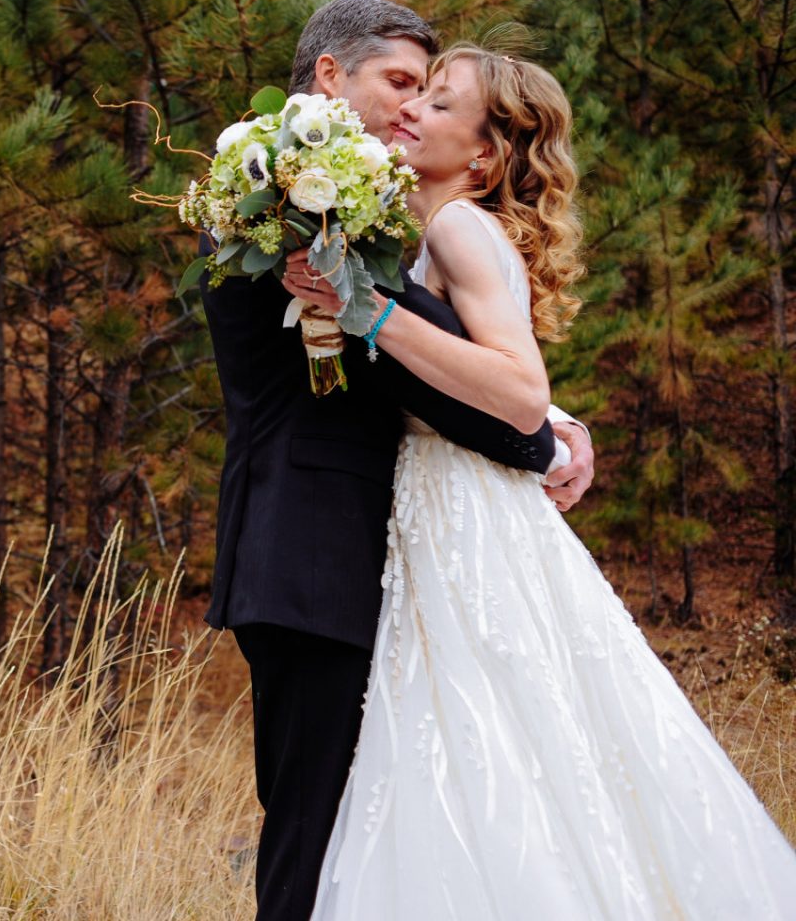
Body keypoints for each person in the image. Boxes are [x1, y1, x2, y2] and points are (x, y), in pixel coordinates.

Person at [279, 45, 796, 918]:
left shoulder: (457, 226)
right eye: (418, 95)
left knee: (482, 731)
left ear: (483, 154)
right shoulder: (438, 225)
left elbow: (521, 394)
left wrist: (365, 311)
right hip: (444, 505)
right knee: (498, 739)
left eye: (440, 105)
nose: (414, 112)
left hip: (464, 514)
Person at [198, 0, 596, 921]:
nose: (411, 107)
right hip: (311, 556)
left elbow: (420, 348)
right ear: (331, 78)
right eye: (399, 83)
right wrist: (539, 438)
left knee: (383, 832)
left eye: (429, 91)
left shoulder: (368, 209)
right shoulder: (284, 196)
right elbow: (403, 371)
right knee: (317, 829)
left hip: (374, 561)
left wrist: (548, 416)